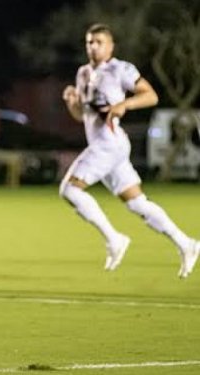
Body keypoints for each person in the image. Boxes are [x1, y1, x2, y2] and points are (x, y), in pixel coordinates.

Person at [60, 23, 199, 278]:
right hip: (104, 146)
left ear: (111, 46)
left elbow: (150, 95)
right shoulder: (82, 74)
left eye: (99, 42)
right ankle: (186, 243)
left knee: (69, 189)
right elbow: (82, 116)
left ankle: (115, 239)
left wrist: (125, 104)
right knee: (137, 203)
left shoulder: (120, 69)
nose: (93, 46)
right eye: (89, 42)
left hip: (109, 144)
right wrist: (72, 103)